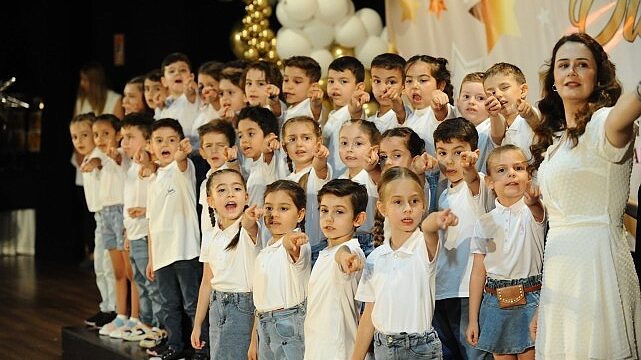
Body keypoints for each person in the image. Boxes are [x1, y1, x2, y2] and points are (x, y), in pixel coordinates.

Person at [530, 32, 641, 358]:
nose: (572, 72)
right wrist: (545, 306)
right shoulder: (556, 142)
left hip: (599, 266)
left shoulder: (606, 123)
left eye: (582, 65)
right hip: (561, 273)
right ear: (553, 79)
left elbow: (631, 105)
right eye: (563, 65)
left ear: (598, 76)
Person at [352, 166, 457, 360]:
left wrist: (438, 219)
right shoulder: (376, 258)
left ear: (423, 204)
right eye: (398, 202)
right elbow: (368, 317)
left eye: (414, 201)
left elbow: (429, 227)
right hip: (384, 347)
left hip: (421, 349)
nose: (408, 208)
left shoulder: (423, 244)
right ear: (383, 208)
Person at [466, 145, 545, 359]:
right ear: (490, 182)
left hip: (532, 298)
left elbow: (539, 214)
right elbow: (477, 272)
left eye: (518, 168)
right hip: (494, 300)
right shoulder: (484, 222)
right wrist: (473, 319)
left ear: (528, 176)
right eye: (502, 170)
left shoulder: (533, 211)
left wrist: (535, 202)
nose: (511, 173)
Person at [140, 118, 206, 360]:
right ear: (150, 145)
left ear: (181, 143)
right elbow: (151, 223)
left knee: (191, 304)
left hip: (185, 250)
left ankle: (202, 348)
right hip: (162, 254)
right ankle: (176, 345)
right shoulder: (152, 179)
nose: (165, 144)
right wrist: (151, 257)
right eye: (159, 140)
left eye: (171, 140)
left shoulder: (183, 168)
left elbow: (181, 162)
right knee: (169, 304)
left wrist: (181, 156)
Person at [432, 118, 494, 360]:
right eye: (442, 152)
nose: (450, 160)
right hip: (442, 290)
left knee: (475, 354)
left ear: (474, 154)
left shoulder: (477, 184)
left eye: (458, 153)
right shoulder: (442, 192)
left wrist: (469, 168)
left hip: (469, 290)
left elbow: (473, 180)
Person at [191, 169, 261, 359]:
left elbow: (249, 224)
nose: (230, 194)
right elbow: (207, 282)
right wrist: (197, 325)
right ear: (210, 201)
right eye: (222, 190)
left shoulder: (248, 229)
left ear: (246, 197)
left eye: (236, 189)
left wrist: (249, 218)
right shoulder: (210, 235)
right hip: (216, 306)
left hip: (244, 309)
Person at [89, 114, 140, 339]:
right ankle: (121, 314)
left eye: (106, 134)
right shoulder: (97, 154)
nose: (100, 139)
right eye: (96, 134)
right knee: (118, 271)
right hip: (107, 215)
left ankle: (136, 317)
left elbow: (118, 160)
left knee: (131, 272)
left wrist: (108, 157)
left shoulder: (120, 155)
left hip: (121, 213)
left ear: (118, 135)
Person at [304, 179, 368, 359]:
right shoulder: (324, 253)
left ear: (358, 219)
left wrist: (345, 257)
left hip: (340, 352)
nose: (329, 218)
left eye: (339, 212)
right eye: (324, 210)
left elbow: (343, 253)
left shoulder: (352, 251)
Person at [249, 180, 311, 360]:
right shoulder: (266, 250)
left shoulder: (296, 244)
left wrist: (290, 242)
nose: (274, 214)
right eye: (268, 208)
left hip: (287, 325)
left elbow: (292, 247)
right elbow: (260, 301)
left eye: (283, 209)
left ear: (300, 214)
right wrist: (255, 341)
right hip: (264, 324)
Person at [118, 113, 166, 346]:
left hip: (148, 234)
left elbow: (158, 202)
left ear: (147, 142)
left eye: (130, 137)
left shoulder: (152, 170)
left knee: (151, 283)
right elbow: (129, 204)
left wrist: (144, 209)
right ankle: (145, 322)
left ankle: (158, 325)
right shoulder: (131, 169)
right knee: (139, 280)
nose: (124, 143)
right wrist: (127, 233)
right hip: (134, 233)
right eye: (123, 138)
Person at [70, 113, 117, 329]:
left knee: (108, 265)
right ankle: (106, 305)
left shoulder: (101, 155)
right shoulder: (88, 158)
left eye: (84, 135)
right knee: (100, 265)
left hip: (111, 216)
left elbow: (103, 162)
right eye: (74, 137)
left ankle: (114, 308)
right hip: (100, 218)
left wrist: (97, 161)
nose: (79, 141)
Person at [403, 55, 456, 211]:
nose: (414, 86)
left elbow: (443, 116)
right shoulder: (410, 118)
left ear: (440, 85)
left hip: (437, 185)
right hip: (414, 184)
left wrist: (440, 106)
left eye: (423, 80)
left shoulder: (436, 112)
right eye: (409, 80)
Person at [281, 116, 331, 261]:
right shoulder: (286, 181)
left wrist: (321, 157)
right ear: (284, 147)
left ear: (319, 142)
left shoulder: (316, 173)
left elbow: (320, 169)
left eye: (306, 138)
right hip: (292, 251)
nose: (299, 144)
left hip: (316, 249)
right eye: (292, 139)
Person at [338, 119, 381, 256]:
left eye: (358, 143)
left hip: (372, 244)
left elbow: (381, 184)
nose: (349, 149)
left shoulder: (373, 176)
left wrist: (373, 169)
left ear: (374, 149)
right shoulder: (340, 180)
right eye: (344, 143)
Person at [483, 63, 539, 161]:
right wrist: (494, 115)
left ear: (523, 90)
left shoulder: (531, 113)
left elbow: (538, 124)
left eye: (504, 88)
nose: (498, 95)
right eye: (492, 92)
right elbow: (497, 139)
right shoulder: (496, 124)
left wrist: (528, 113)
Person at [196, 120, 239, 245]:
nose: (214, 150)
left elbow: (235, 173)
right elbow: (205, 222)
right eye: (208, 146)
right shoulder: (205, 182)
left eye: (220, 145)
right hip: (210, 246)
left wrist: (232, 162)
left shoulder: (233, 173)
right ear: (202, 153)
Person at [322, 56, 366, 177]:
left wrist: (356, 104)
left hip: (348, 179)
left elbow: (355, 111)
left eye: (343, 81)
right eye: (331, 81)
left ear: (359, 87)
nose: (335, 86)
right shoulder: (333, 113)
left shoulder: (352, 110)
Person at [157, 53, 200, 147]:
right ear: (163, 81)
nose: (177, 73)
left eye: (183, 70)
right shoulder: (164, 104)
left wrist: (191, 90)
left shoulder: (192, 96)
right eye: (171, 71)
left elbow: (191, 93)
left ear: (191, 77)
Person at [456, 72, 493, 174]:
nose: (471, 102)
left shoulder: (491, 129)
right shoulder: (455, 128)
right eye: (466, 96)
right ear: (458, 103)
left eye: (480, 98)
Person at [367, 53, 409, 134]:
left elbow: (401, 115)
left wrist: (400, 111)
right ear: (371, 83)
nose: (383, 89)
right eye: (377, 81)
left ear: (404, 86)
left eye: (391, 82)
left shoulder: (405, 115)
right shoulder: (369, 121)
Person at [282, 56, 323, 121]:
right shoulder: (291, 108)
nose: (289, 86)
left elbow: (316, 107)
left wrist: (316, 101)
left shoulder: (310, 107)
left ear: (314, 87)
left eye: (297, 82)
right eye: (286, 80)